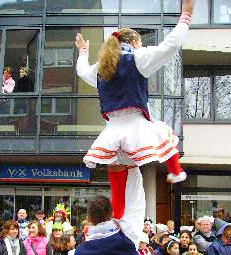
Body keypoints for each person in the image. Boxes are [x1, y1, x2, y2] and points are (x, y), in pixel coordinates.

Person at [75, 0, 195, 184]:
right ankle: (177, 172)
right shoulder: (138, 57)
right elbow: (169, 46)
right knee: (164, 134)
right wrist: (186, 15)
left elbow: (82, 71)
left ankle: (120, 211)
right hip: (136, 123)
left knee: (116, 168)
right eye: (139, 42)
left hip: (112, 129)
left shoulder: (102, 67)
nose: (140, 46)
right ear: (133, 42)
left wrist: (83, 51)